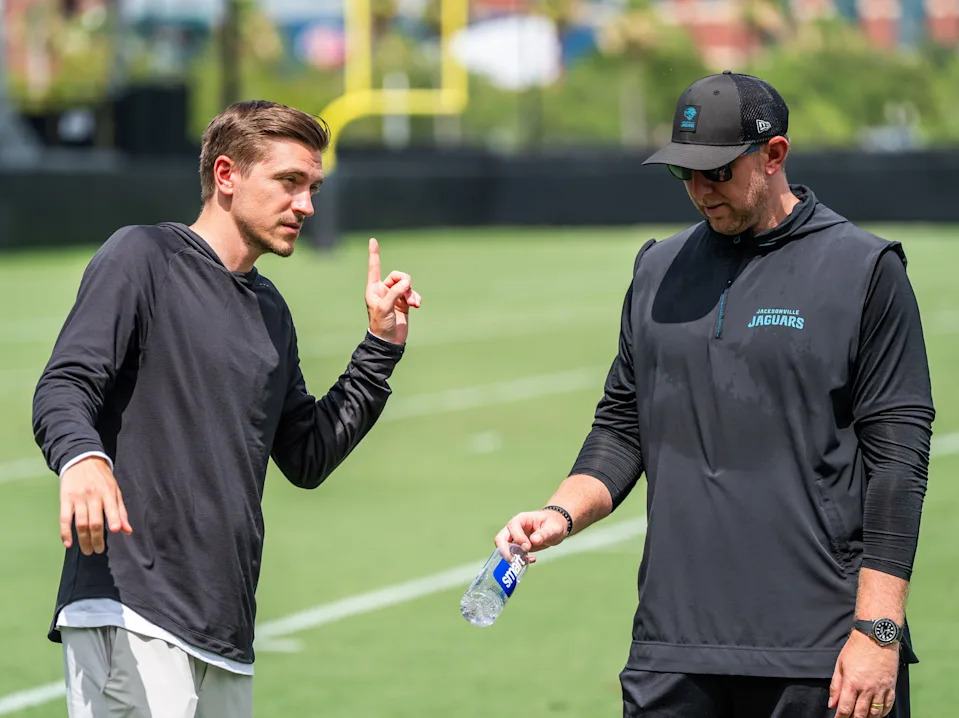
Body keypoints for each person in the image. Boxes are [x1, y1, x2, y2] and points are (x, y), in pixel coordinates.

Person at [494, 72, 934, 718]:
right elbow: (622, 427)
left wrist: (877, 631)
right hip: (671, 651)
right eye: (684, 175)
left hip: (818, 655)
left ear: (773, 155)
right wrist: (558, 514)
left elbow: (898, 466)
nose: (700, 191)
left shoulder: (864, 270)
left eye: (718, 173)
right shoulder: (655, 270)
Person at [32, 100, 421, 718]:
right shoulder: (142, 257)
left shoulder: (270, 310)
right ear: (226, 175)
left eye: (313, 187)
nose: (307, 205)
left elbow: (307, 455)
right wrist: (82, 457)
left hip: (226, 631)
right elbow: (65, 384)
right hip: (133, 610)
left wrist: (379, 349)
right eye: (289, 182)